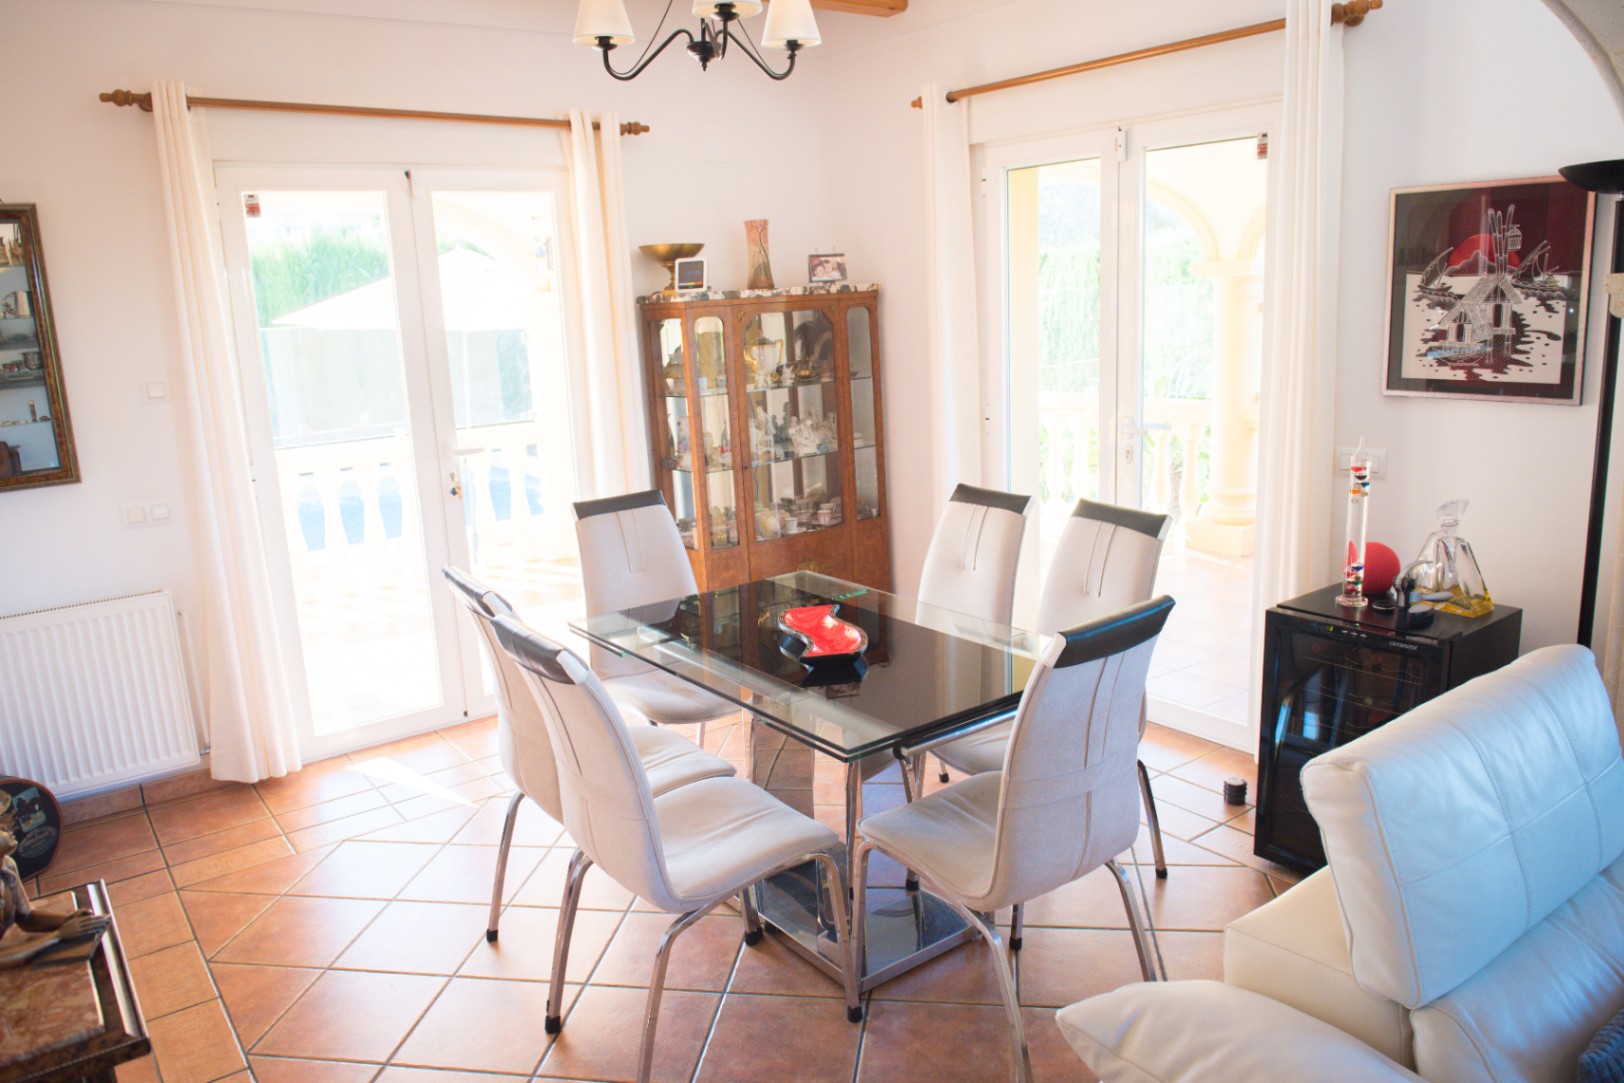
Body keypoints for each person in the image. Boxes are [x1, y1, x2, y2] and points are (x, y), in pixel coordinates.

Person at [0, 791, 109, 968]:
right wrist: (57, 935)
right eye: (0, 827)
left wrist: (68, 920)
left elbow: (26, 917)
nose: (8, 828)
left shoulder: (7, 866)